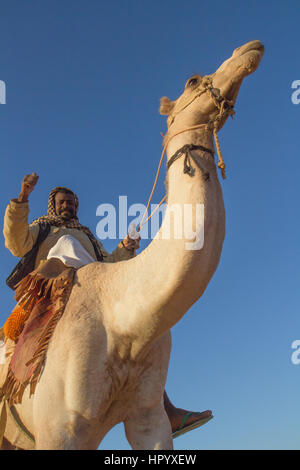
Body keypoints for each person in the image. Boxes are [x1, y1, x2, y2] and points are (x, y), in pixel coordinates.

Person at [3, 172, 212, 438]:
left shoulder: (89, 239)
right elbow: (15, 241)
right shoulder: (43, 229)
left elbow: (109, 264)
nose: (70, 206)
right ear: (53, 205)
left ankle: (163, 410)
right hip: (53, 284)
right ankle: (12, 390)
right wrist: (22, 199)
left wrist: (125, 247)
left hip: (93, 287)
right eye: (64, 202)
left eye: (73, 203)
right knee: (14, 330)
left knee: (140, 334)